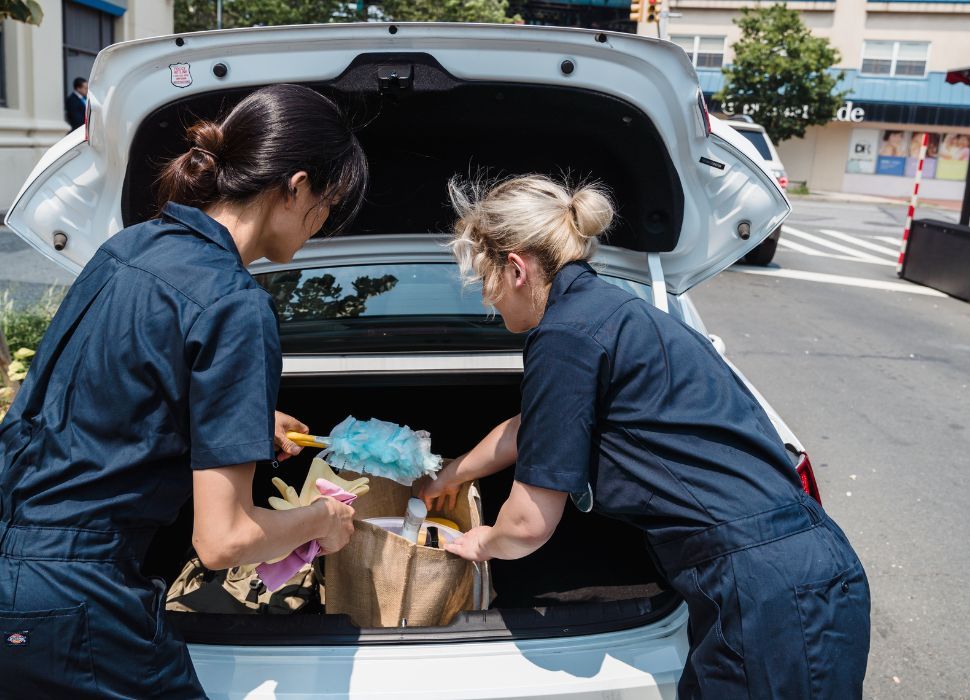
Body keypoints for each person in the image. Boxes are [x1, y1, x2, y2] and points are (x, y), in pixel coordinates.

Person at [421, 175, 871, 699]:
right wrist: (450, 474)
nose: (488, 302)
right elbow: (534, 427)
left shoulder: (563, 336)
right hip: (800, 570)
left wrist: (480, 542)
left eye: (485, 282)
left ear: (517, 269)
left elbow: (526, 527)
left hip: (762, 591)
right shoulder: (615, 312)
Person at [0, 84, 367, 698]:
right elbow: (223, 542)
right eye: (327, 204)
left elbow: (101, 388)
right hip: (76, 593)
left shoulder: (130, 247)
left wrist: (244, 420)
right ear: (296, 186)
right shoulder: (236, 304)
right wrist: (322, 521)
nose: (322, 223)